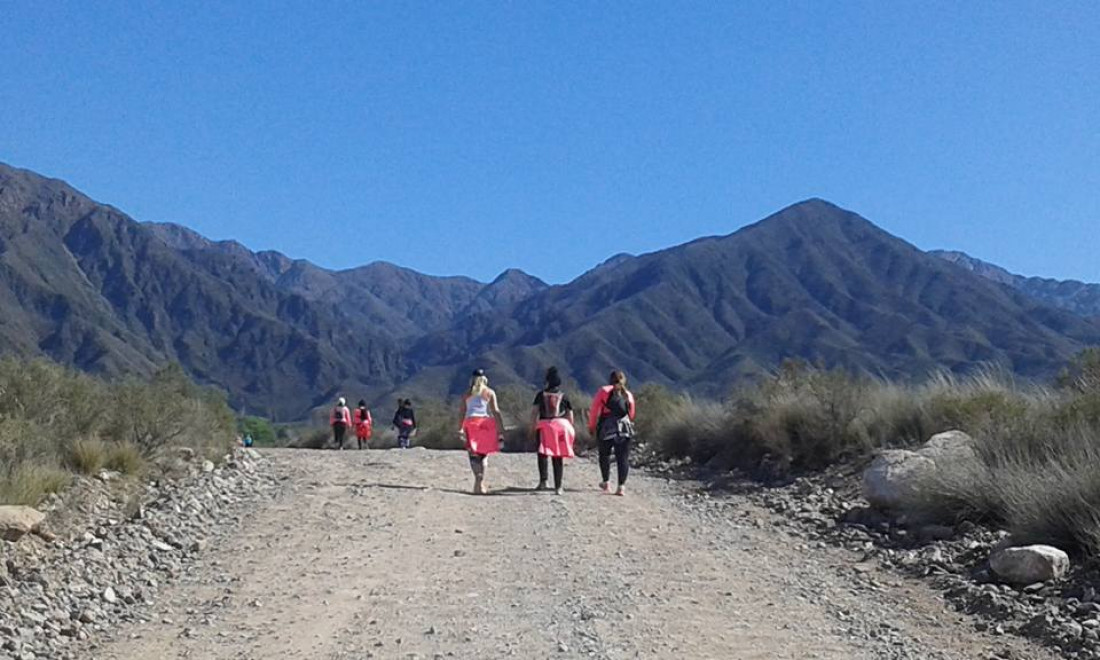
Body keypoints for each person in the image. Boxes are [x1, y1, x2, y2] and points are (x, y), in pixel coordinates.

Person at [588, 370, 636, 496]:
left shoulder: (604, 391)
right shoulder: (628, 394)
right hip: (624, 428)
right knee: (623, 457)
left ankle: (606, 482)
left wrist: (592, 426)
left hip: (607, 426)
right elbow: (631, 414)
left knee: (604, 455)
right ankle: (621, 487)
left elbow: (594, 410)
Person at [458, 369, 505, 494]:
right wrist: (501, 427)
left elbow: (462, 412)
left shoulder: (467, 394)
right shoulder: (489, 392)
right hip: (485, 423)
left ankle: (477, 479)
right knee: (483, 454)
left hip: (470, 423)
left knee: (473, 454)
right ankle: (481, 482)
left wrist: (460, 428)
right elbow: (495, 411)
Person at [532, 366, 576, 495]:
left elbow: (534, 412)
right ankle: (558, 486)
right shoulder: (564, 396)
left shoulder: (541, 395)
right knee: (558, 456)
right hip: (560, 427)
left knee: (542, 453)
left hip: (544, 426)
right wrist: (569, 429)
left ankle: (543, 481)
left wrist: (533, 426)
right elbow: (570, 416)